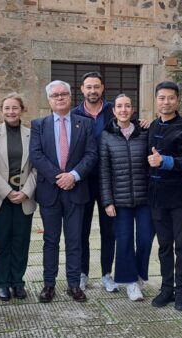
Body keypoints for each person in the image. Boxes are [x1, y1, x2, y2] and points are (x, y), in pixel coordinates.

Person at [29, 80, 98, 303]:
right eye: (55, 95)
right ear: (49, 100)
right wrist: (58, 177)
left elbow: (91, 154)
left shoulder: (84, 124)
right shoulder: (39, 124)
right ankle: (49, 284)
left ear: (70, 97)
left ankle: (74, 285)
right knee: (50, 240)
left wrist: (74, 176)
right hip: (50, 191)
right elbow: (36, 155)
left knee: (75, 240)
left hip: (76, 190)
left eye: (64, 94)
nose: (60, 98)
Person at [146, 81, 182, 311]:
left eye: (170, 98)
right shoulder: (151, 127)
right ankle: (166, 288)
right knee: (164, 246)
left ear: (177, 100)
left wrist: (163, 161)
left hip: (180, 197)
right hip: (157, 198)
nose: (165, 102)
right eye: (161, 98)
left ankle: (181, 291)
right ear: (156, 100)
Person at [99, 94, 153, 301]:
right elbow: (104, 171)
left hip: (145, 198)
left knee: (146, 239)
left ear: (133, 110)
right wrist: (107, 201)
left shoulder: (145, 132)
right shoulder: (106, 135)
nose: (123, 110)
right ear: (114, 111)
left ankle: (139, 275)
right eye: (119, 106)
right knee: (124, 241)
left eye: (127, 106)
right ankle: (130, 282)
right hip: (119, 200)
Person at [0, 93, 38, 301]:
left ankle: (18, 281)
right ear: (1, 111)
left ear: (22, 110)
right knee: (1, 242)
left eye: (15, 108)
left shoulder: (32, 135)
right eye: (6, 108)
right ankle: (2, 283)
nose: (11, 112)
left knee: (21, 241)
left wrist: (25, 192)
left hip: (25, 197)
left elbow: (36, 167)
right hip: (0, 197)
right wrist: (7, 191)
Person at [71, 72, 116, 292]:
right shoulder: (74, 115)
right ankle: (82, 273)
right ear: (82, 89)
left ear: (103, 88)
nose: (92, 91)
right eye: (88, 87)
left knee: (110, 230)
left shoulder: (114, 111)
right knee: (81, 230)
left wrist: (144, 123)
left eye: (96, 87)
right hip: (83, 180)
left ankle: (107, 273)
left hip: (110, 180)